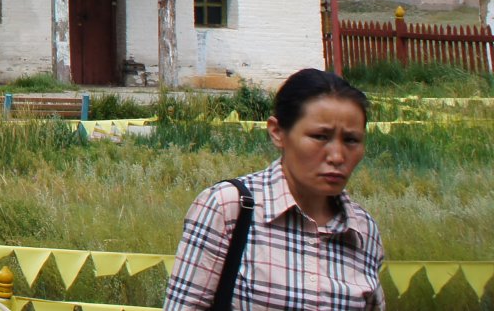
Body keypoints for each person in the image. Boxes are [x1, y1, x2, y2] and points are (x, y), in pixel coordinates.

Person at [163, 69, 383, 311]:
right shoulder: (228, 209)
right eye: (320, 136)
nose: (337, 156)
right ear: (277, 132)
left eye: (351, 140)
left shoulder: (363, 230)